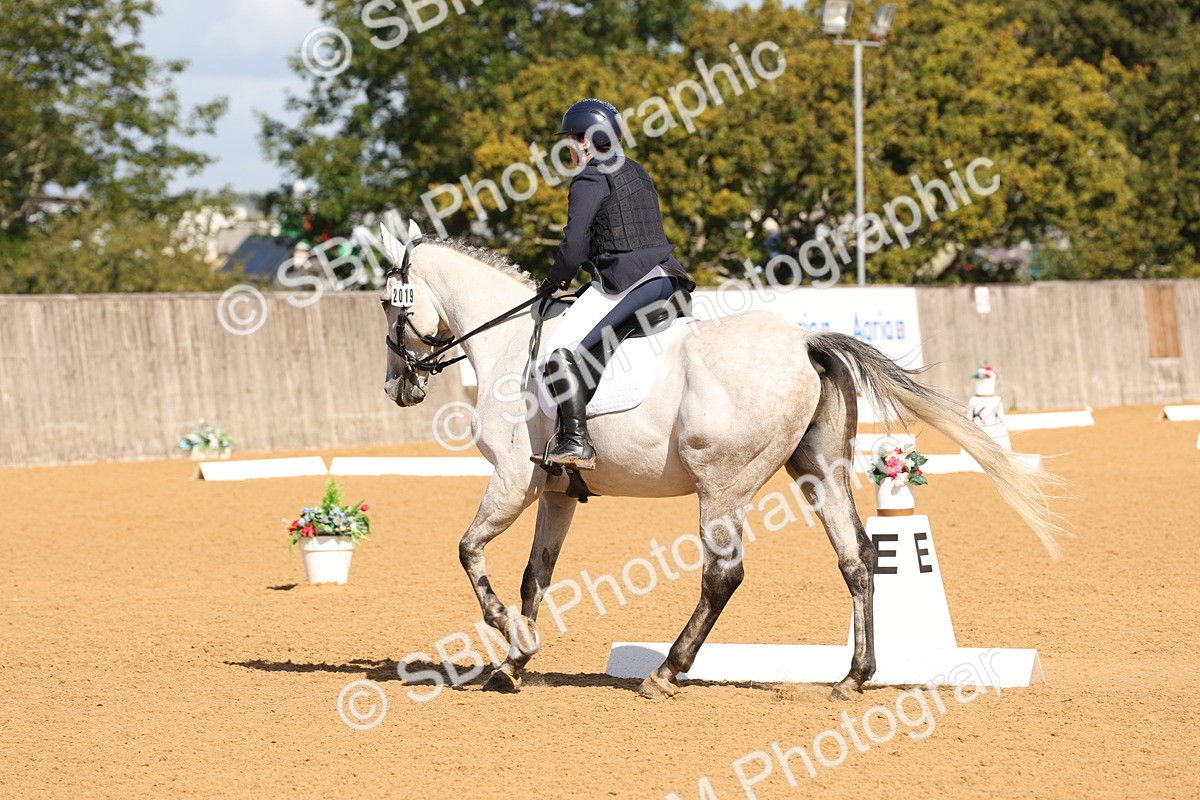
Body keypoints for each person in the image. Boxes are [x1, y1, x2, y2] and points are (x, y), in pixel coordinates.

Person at [535, 98, 695, 471]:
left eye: (572, 140)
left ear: (588, 141)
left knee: (560, 353)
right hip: (668, 281)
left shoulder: (591, 176)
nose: (571, 148)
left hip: (630, 285)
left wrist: (553, 281)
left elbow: (574, 246)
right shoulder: (637, 171)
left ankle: (576, 442)